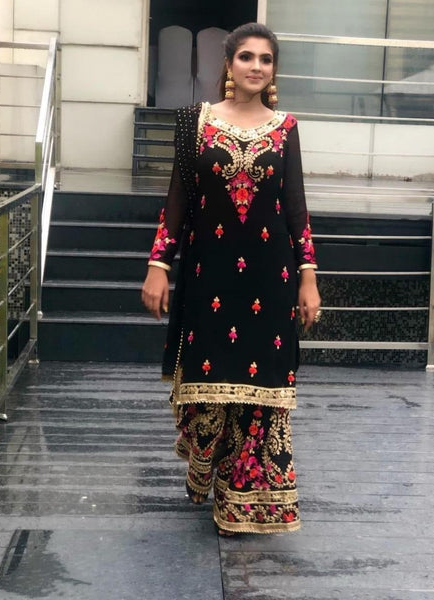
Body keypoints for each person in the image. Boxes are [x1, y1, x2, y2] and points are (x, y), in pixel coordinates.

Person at [142, 22, 321, 535]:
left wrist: (308, 277)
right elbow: (177, 201)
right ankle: (212, 471)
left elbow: (296, 210)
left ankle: (245, 503)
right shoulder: (193, 123)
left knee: (261, 392)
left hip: (270, 278)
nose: (256, 67)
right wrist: (159, 265)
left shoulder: (285, 128)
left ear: (274, 70)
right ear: (229, 64)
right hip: (208, 276)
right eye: (247, 57)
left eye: (266, 59)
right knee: (209, 388)